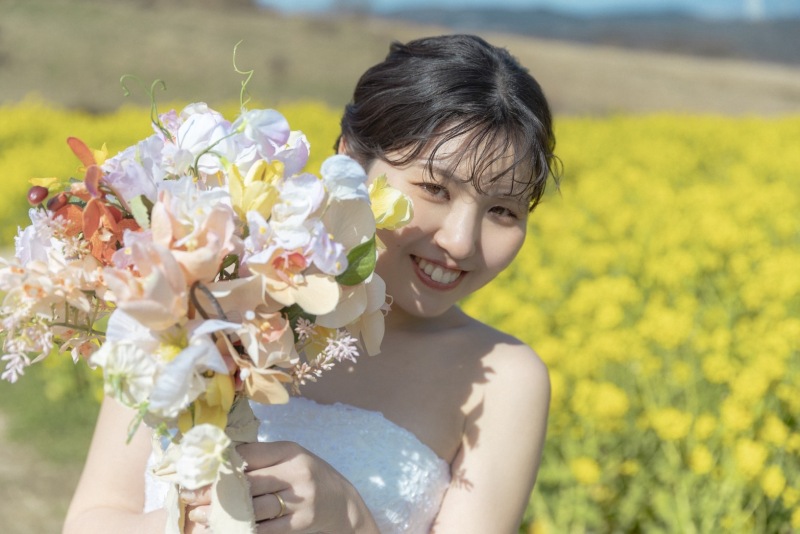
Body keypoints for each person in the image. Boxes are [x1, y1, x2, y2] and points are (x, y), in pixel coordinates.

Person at [63, 33, 557, 534]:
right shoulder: (201, 286)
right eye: (435, 189)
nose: (461, 242)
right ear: (351, 161)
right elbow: (88, 522)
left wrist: (350, 517)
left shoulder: (505, 380)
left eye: (503, 210)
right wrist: (198, 522)